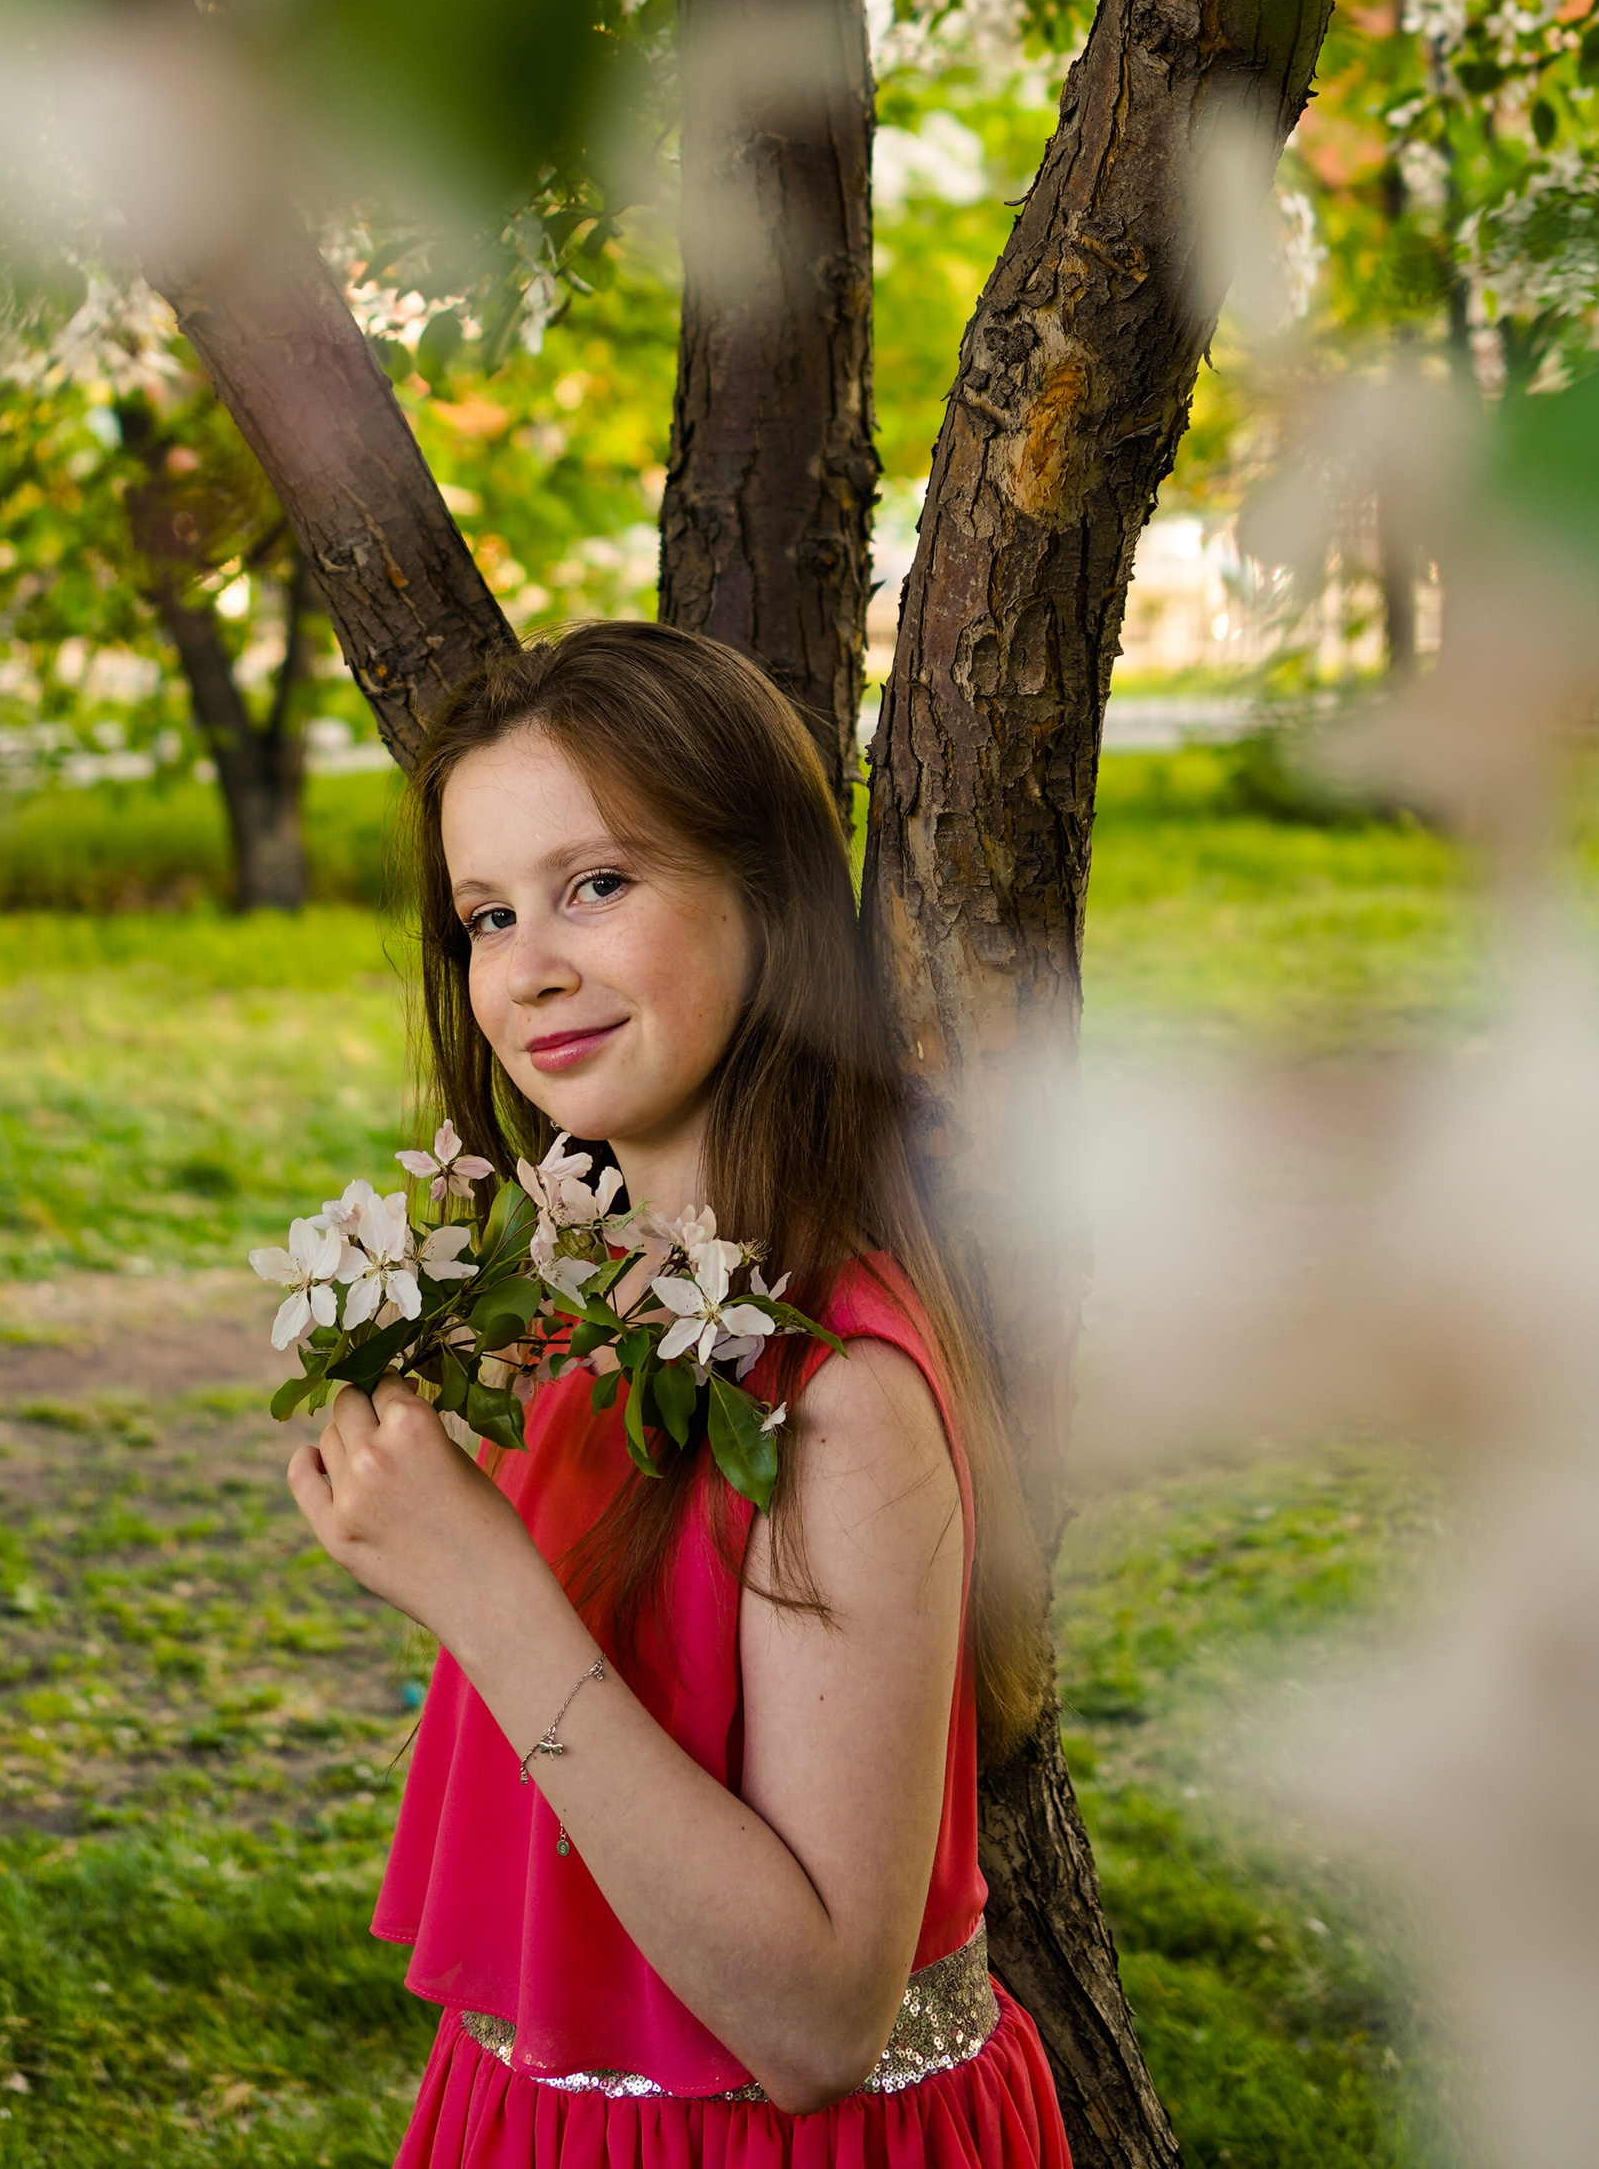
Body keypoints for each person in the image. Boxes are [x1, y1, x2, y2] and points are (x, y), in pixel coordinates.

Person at [284, 618, 1071, 2169]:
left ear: (768, 902)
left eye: (596, 885)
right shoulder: (584, 1326)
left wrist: (482, 1591)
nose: (531, 968)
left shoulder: (836, 1399)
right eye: (487, 915)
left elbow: (817, 2028)